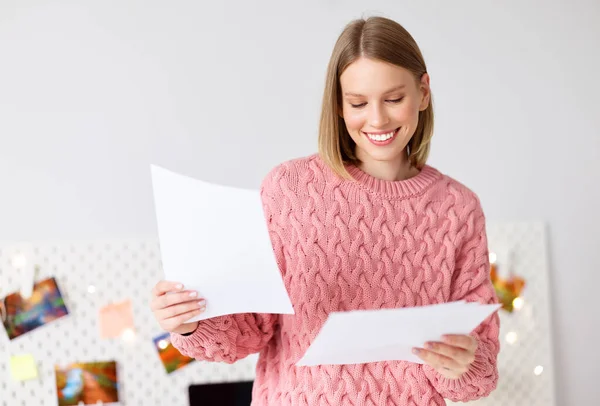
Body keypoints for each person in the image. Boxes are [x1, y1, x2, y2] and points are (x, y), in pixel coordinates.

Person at [150, 15, 500, 406]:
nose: (378, 119)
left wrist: (463, 363)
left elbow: (480, 368)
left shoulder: (458, 208)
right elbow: (248, 330)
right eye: (358, 103)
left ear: (423, 92)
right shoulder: (289, 189)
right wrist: (189, 323)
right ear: (338, 104)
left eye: (394, 98)